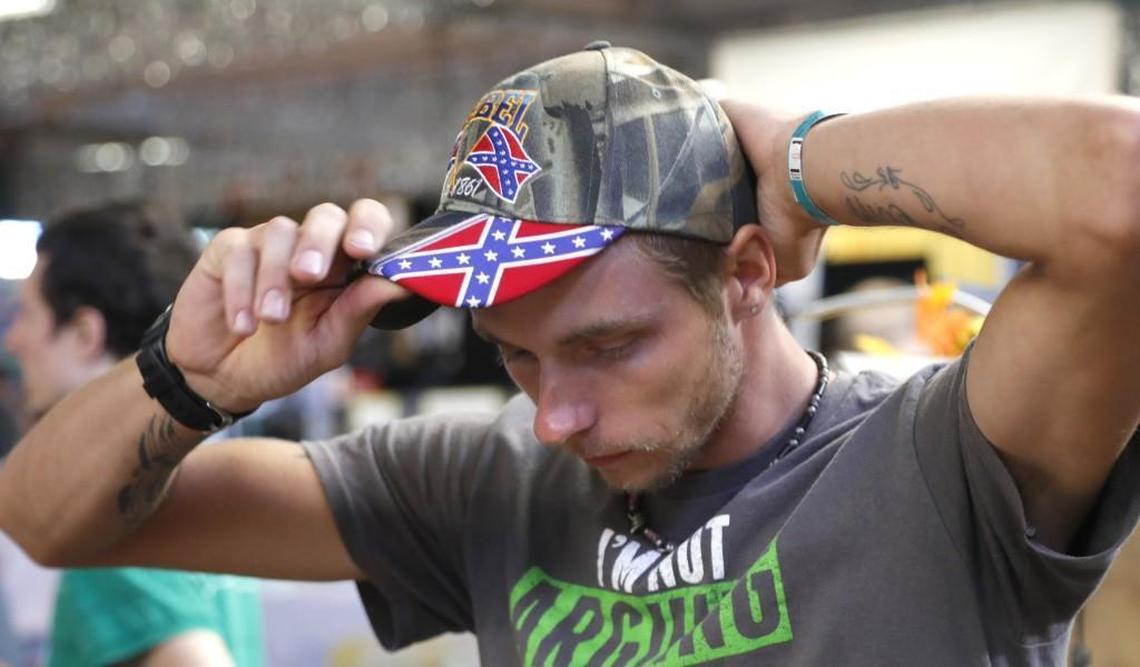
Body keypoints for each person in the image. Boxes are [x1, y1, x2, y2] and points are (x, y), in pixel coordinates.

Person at [0, 43, 1138, 665]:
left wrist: (799, 157)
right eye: (519, 357)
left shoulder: (947, 461)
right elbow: (48, 517)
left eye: (606, 345)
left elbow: (1119, 192)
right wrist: (190, 382)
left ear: (746, 273)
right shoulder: (486, 488)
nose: (557, 416)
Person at [1, 202, 264, 667]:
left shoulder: (104, 507)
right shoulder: (199, 480)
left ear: (85, 332)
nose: (12, 340)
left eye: (27, 315)